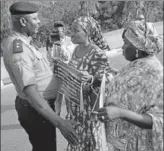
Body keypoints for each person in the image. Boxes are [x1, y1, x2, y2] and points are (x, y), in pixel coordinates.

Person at [3, 2, 79, 151]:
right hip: (36, 110)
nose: (39, 22)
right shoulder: (18, 49)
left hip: (39, 109)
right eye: (35, 19)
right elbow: (31, 93)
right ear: (24, 21)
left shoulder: (25, 43)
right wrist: (60, 123)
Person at [97, 20, 163, 151]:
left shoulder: (155, 74)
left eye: (126, 43)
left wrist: (121, 113)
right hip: (123, 143)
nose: (122, 47)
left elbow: (159, 120)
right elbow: (132, 88)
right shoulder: (137, 64)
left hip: (141, 144)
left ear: (137, 47)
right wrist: (114, 77)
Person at [61, 16, 118, 151]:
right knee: (77, 141)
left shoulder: (96, 52)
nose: (71, 33)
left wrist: (92, 79)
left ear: (86, 33)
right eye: (71, 30)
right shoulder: (75, 50)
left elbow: (108, 78)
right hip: (75, 108)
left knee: (90, 143)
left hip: (89, 111)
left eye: (76, 30)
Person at [46, 21, 76, 116]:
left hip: (66, 69)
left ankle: (70, 113)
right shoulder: (51, 41)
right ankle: (57, 114)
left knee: (68, 94)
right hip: (56, 70)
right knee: (58, 95)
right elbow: (49, 59)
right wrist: (51, 47)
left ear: (63, 30)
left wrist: (62, 45)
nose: (58, 31)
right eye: (56, 29)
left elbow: (68, 56)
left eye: (60, 29)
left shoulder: (68, 40)